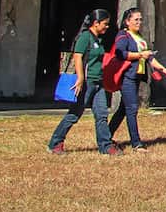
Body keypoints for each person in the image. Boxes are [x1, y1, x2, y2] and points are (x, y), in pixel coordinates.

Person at [47, 8, 120, 156]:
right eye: (105, 24)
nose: (107, 27)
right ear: (96, 23)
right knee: (74, 114)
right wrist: (80, 78)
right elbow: (77, 56)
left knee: (102, 114)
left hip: (98, 83)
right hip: (86, 83)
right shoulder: (85, 37)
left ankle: (105, 146)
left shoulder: (97, 39)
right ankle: (55, 143)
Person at [108, 7, 166, 152]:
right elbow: (120, 54)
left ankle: (106, 135)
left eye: (140, 19)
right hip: (127, 77)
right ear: (127, 21)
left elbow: (148, 56)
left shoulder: (139, 37)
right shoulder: (123, 36)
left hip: (137, 76)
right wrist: (139, 55)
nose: (139, 22)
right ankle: (136, 143)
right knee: (132, 108)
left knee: (123, 109)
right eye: (136, 19)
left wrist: (162, 69)